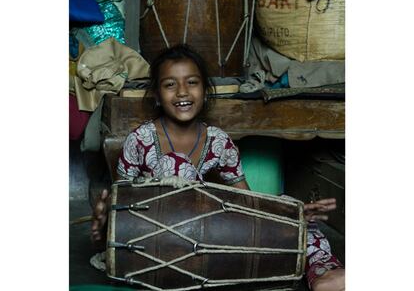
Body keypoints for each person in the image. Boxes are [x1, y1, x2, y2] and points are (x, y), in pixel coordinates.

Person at [92, 44, 345, 291]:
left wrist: (289, 213)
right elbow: (121, 202)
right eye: (170, 84)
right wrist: (105, 220)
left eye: (192, 82)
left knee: (298, 215)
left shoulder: (219, 141)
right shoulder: (139, 139)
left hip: (205, 239)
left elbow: (247, 201)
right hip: (155, 241)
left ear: (204, 90)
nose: (182, 92)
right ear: (157, 95)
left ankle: (323, 271)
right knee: (176, 164)